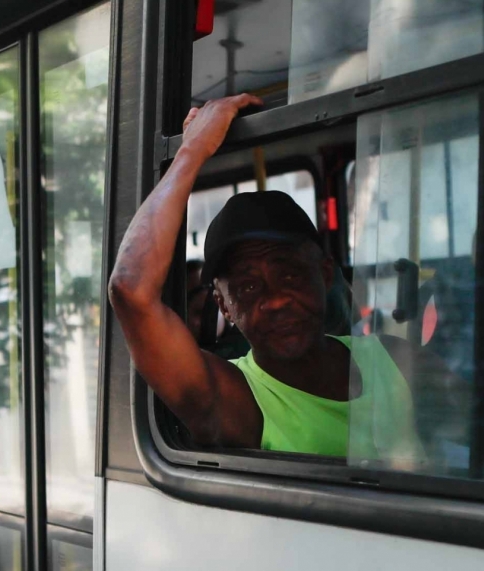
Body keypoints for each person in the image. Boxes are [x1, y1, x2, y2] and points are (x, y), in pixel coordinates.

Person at [109, 94, 464, 465]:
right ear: (224, 307)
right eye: (247, 287)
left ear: (325, 274)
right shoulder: (238, 399)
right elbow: (130, 288)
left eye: (290, 274)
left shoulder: (392, 358)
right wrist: (192, 150)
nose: (275, 299)